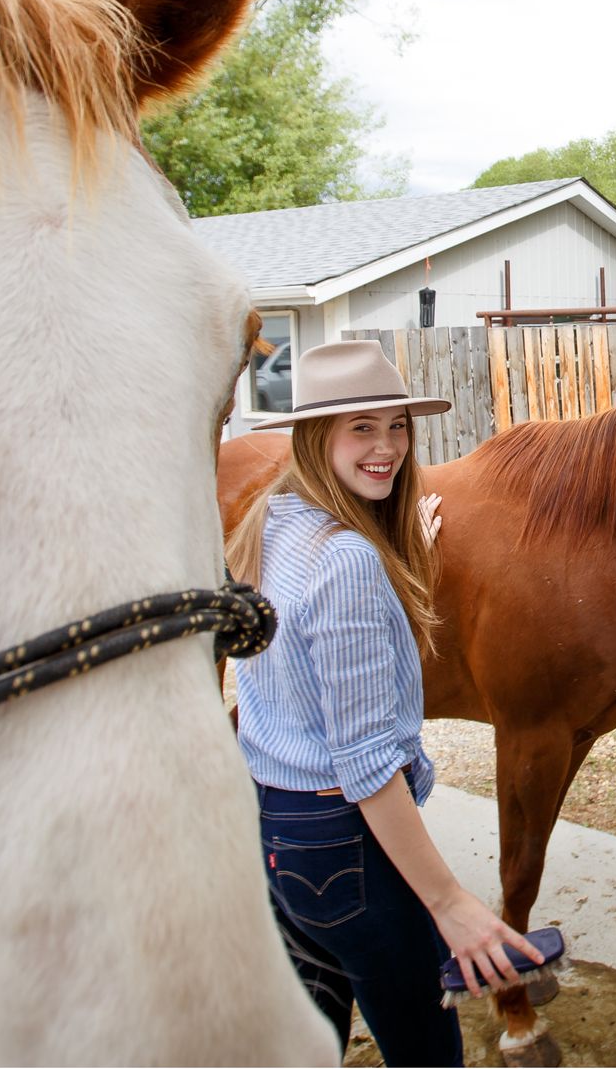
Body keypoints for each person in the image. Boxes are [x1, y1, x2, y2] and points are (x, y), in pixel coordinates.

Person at [226, 339, 543, 1066]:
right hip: (346, 842)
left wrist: (405, 555)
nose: (388, 447)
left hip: (279, 832)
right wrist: (449, 901)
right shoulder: (346, 561)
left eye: (396, 425)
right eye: (361, 427)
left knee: (311, 1038)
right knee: (426, 1050)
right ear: (315, 435)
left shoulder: (270, 523)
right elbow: (367, 765)